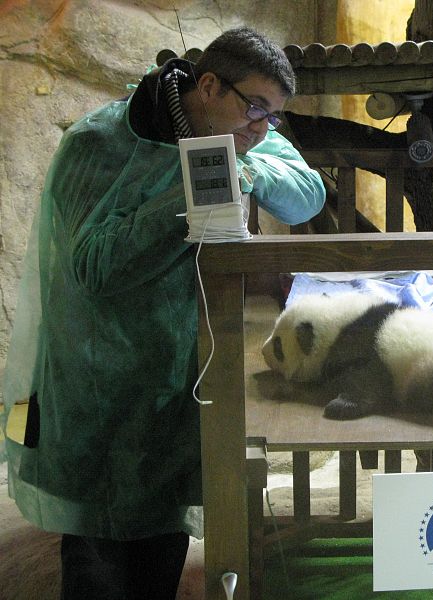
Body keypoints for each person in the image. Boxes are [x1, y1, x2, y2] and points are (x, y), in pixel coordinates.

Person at [0, 26, 324, 600]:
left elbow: (307, 192)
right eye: (254, 108)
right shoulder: (99, 141)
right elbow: (93, 268)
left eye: (273, 117)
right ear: (207, 86)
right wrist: (189, 196)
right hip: (98, 379)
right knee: (97, 558)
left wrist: (246, 172)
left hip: (177, 378)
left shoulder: (245, 136)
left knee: (160, 543)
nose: (261, 127)